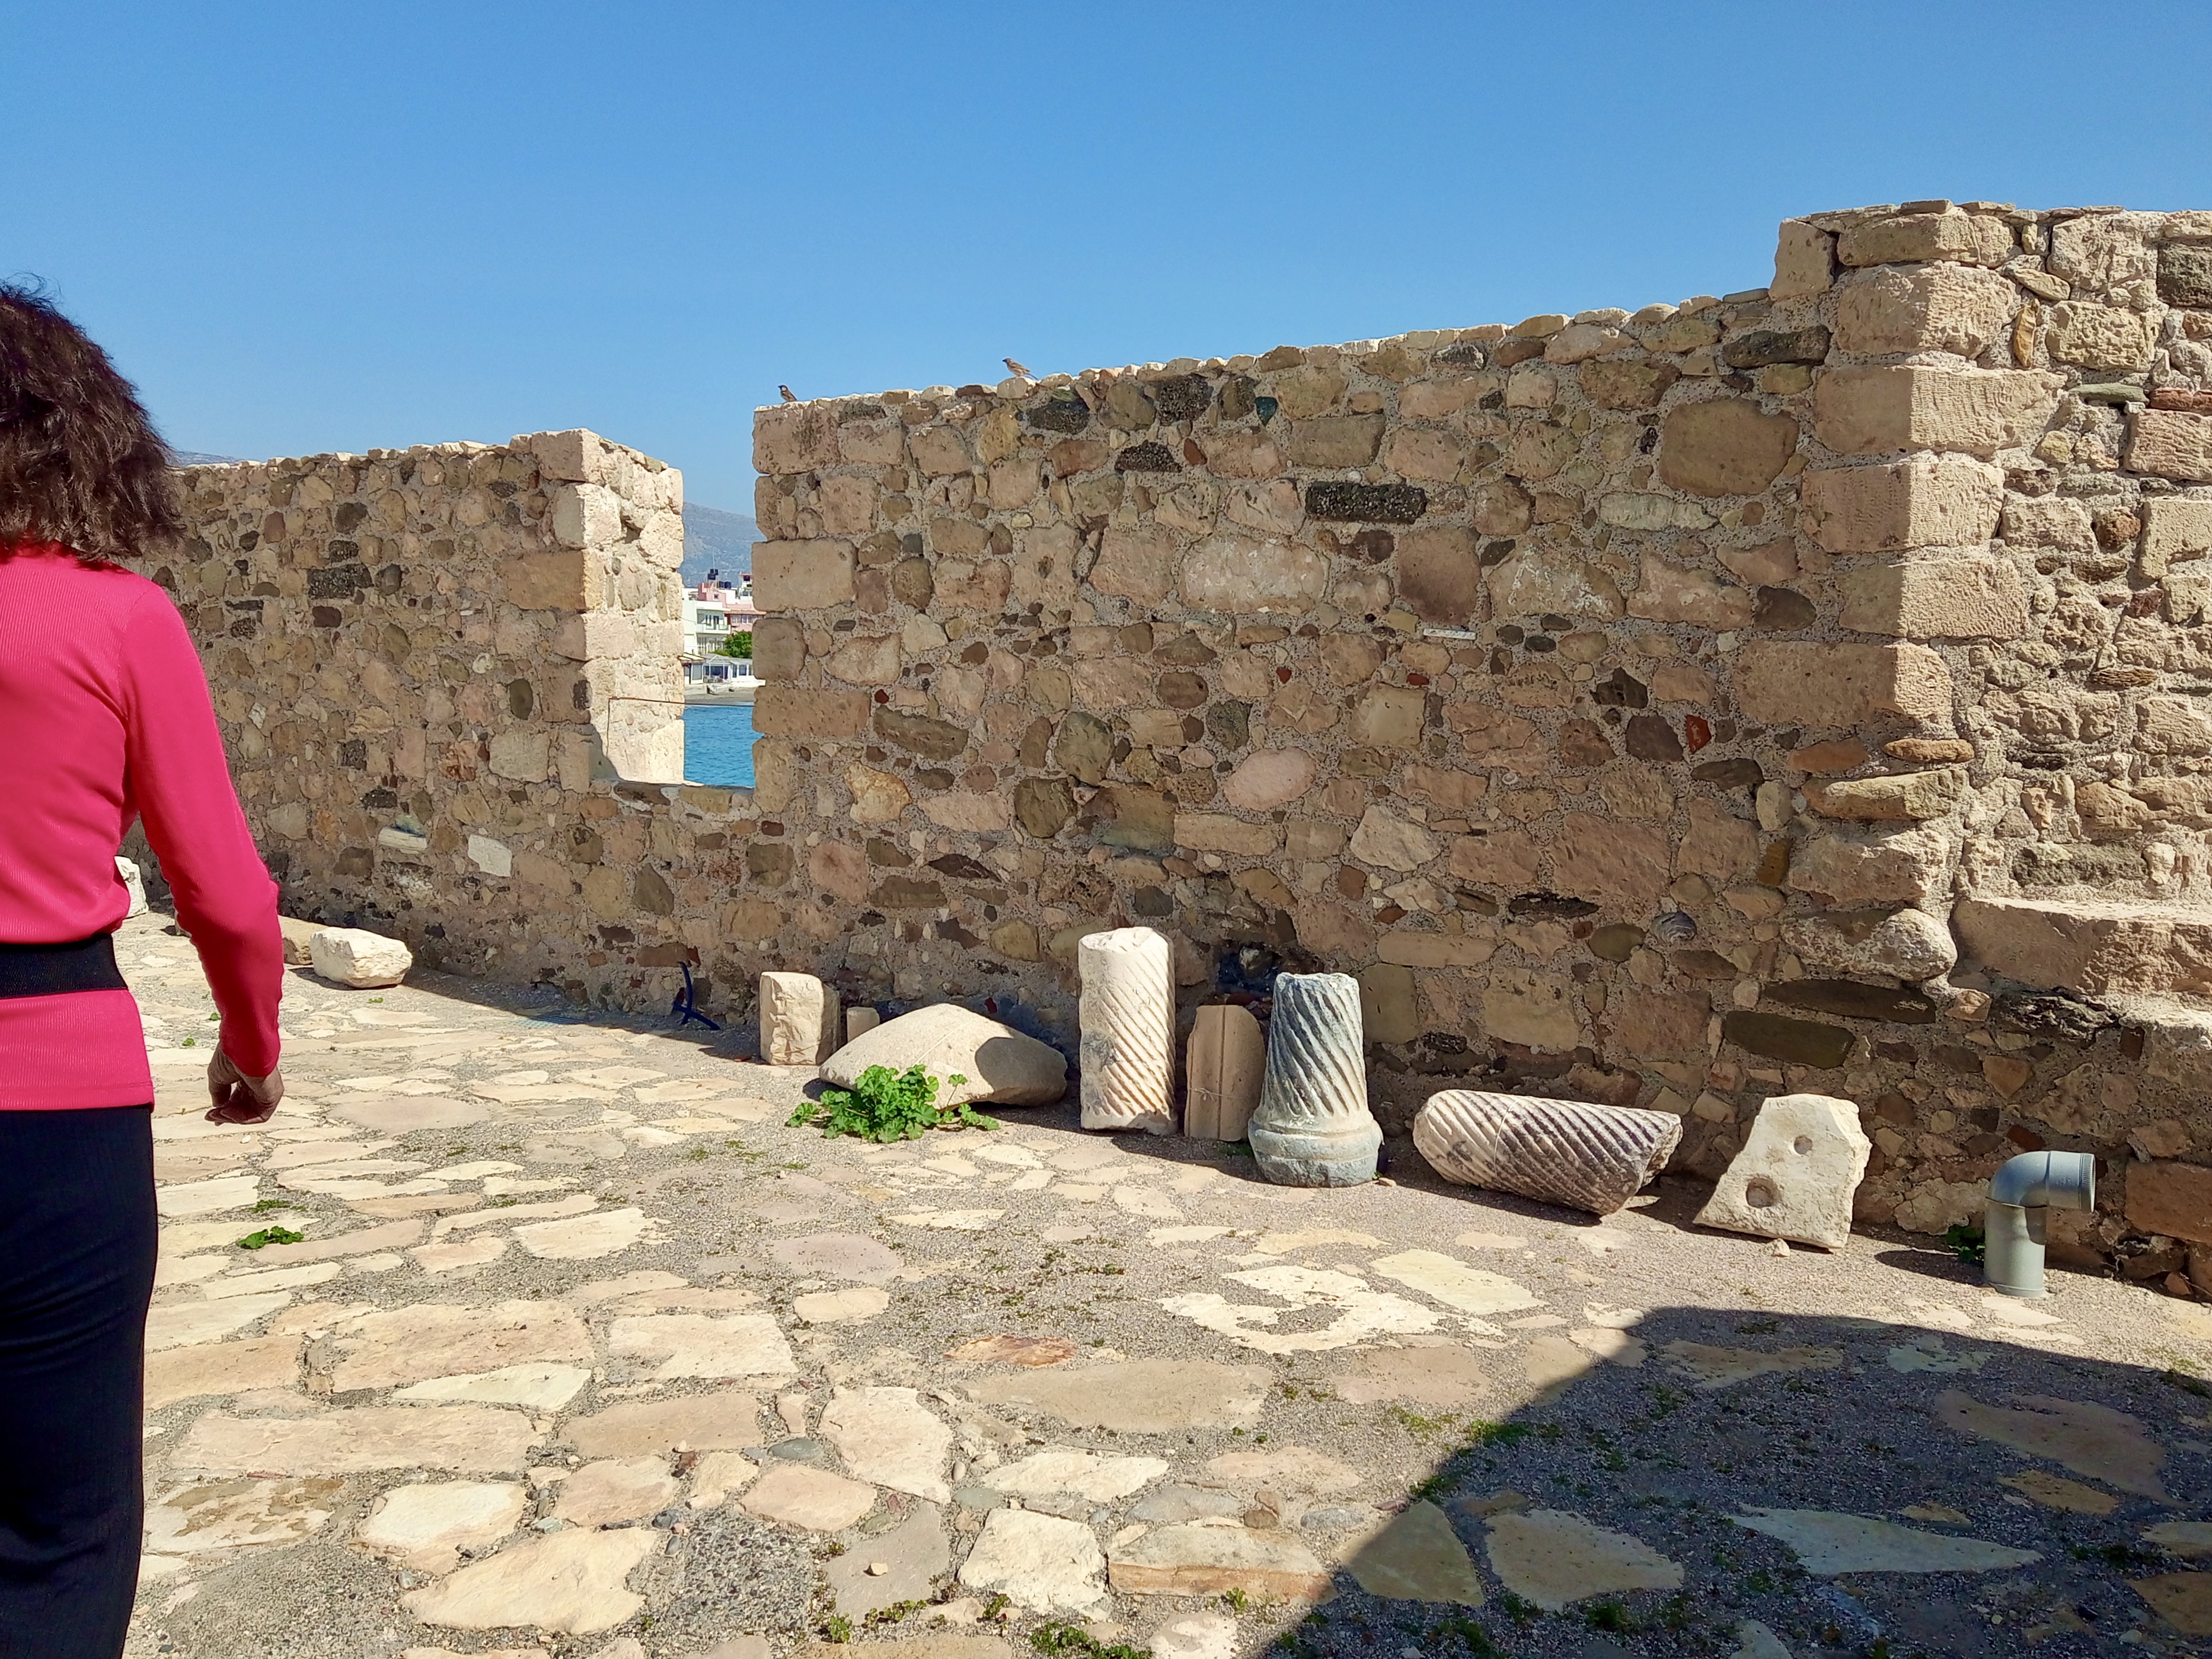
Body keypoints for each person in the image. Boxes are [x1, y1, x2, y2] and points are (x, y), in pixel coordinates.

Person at [0, 283, 284, 1655]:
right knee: (61, 1527)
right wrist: (252, 1049)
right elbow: (226, 894)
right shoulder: (115, 622)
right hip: (49, 1108)